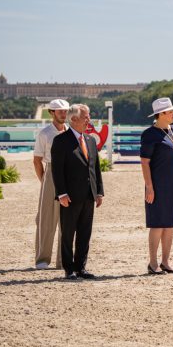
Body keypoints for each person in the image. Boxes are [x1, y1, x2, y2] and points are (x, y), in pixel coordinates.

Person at [50, 104, 103, 280]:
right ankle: (69, 269)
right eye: (85, 117)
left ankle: (81, 267)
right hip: (70, 197)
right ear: (73, 119)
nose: (89, 120)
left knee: (85, 233)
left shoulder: (90, 140)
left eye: (88, 116)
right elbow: (57, 171)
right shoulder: (61, 141)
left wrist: (99, 191)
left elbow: (95, 168)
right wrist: (62, 193)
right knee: (68, 233)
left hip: (89, 195)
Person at [140, 97, 173, 275]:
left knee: (170, 224)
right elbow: (145, 162)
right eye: (170, 111)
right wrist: (149, 187)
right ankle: (152, 263)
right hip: (158, 185)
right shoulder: (149, 134)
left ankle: (166, 262)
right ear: (160, 114)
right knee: (158, 223)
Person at [32, 98, 69, 270]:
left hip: (69, 175)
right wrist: (44, 182)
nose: (63, 114)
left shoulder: (71, 131)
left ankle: (63, 260)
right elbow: (37, 161)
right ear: (52, 113)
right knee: (47, 219)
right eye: (60, 111)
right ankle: (42, 259)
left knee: (67, 220)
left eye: (65, 111)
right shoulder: (45, 134)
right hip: (51, 173)